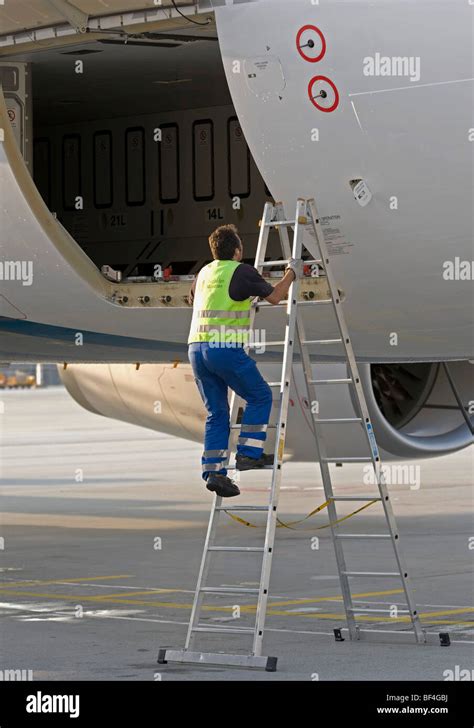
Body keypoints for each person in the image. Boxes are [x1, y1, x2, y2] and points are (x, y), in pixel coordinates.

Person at [188, 224, 300, 498]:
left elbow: (198, 299)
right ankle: (249, 453)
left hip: (195, 348)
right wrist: (292, 273)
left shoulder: (203, 273)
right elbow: (275, 296)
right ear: (237, 251)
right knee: (260, 395)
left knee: (216, 413)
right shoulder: (241, 271)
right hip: (223, 348)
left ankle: (215, 473)